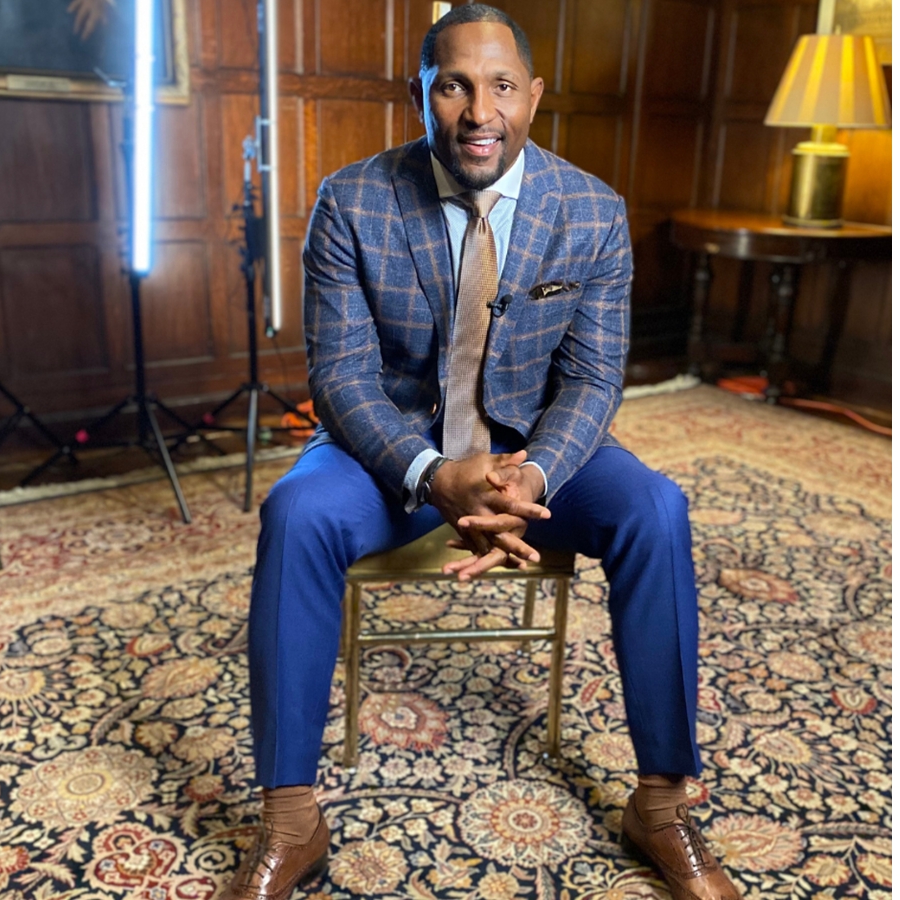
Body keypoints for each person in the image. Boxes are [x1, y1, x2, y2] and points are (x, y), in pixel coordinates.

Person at [223, 6, 740, 899]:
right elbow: (341, 376)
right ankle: (290, 821)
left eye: (501, 86)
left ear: (533, 96)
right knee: (296, 512)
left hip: (538, 455)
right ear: (419, 92)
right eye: (454, 84)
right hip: (391, 452)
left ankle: (660, 805)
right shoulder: (353, 200)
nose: (478, 111)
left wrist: (528, 474)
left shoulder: (593, 211)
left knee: (659, 508)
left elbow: (591, 380)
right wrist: (433, 477)